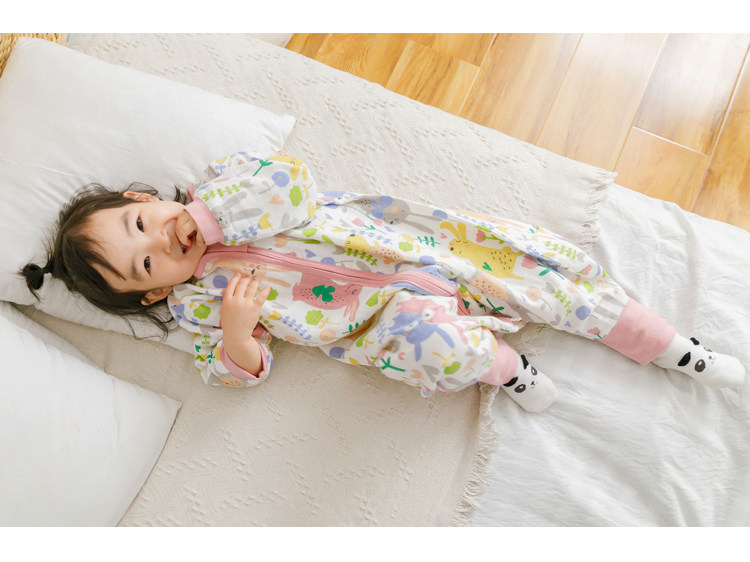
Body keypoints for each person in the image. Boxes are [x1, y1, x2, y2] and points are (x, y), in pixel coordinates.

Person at [22, 150, 746, 412]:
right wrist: (239, 336)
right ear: (154, 293)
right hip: (385, 318)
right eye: (147, 263)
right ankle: (507, 369)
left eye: (142, 222)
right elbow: (230, 373)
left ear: (144, 198)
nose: (160, 240)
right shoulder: (198, 309)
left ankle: (674, 349)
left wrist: (211, 217)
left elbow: (293, 183)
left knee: (551, 284)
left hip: (421, 249)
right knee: (438, 352)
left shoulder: (225, 187)